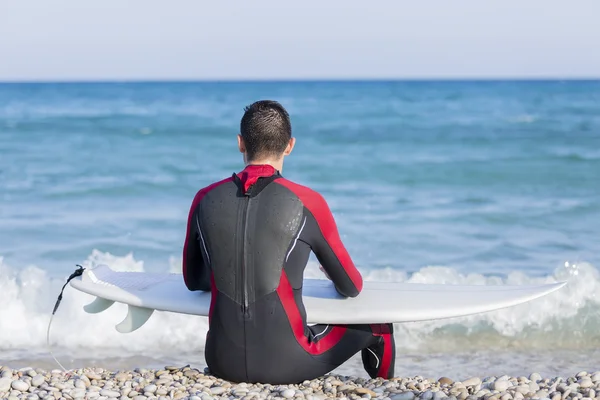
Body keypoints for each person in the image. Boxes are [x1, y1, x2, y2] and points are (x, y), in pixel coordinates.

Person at [182, 100, 395, 384]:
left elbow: (193, 281)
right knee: (379, 325)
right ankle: (384, 389)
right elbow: (351, 286)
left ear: (241, 143)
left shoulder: (204, 198)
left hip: (221, 360)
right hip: (288, 363)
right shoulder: (307, 202)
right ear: (290, 145)